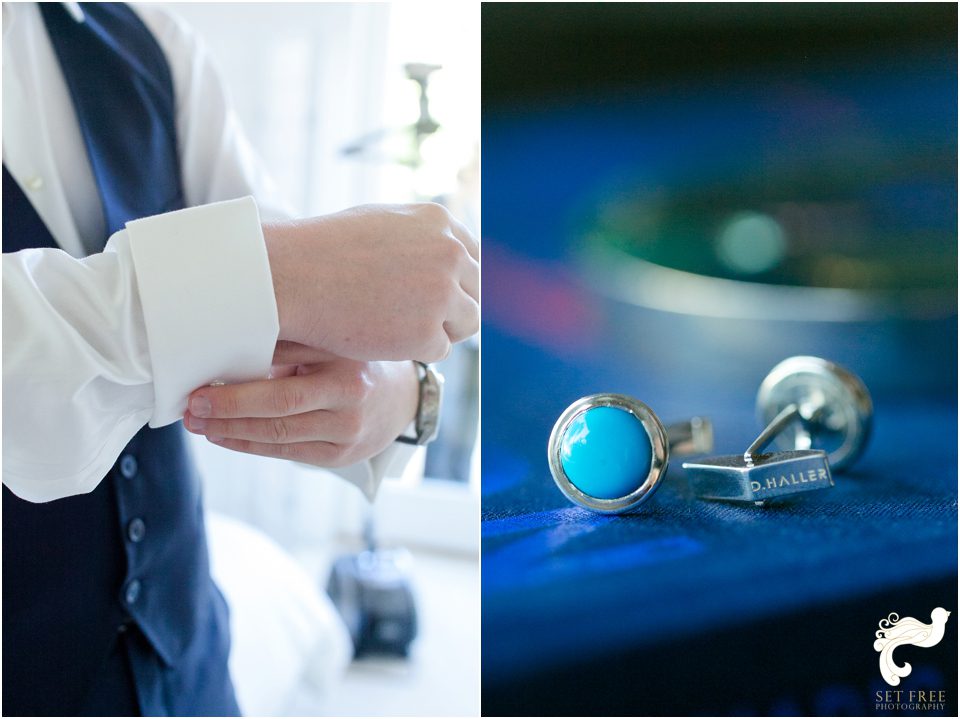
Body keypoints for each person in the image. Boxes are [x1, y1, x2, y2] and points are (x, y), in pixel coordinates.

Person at [1, 3, 479, 716]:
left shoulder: (150, 43)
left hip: (186, 658)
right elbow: (272, 275)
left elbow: (302, 291)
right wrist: (261, 277)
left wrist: (398, 390)